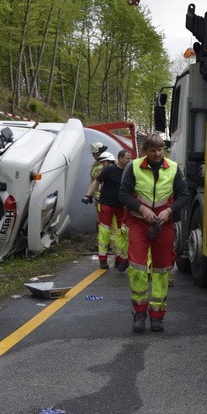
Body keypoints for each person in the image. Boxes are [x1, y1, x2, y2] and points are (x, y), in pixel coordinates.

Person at [119, 134, 188, 333]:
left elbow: (184, 195)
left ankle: (157, 316)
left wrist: (169, 211)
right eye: (152, 151)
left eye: (160, 150)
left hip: (163, 223)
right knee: (138, 268)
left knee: (162, 269)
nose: (157, 154)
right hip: (139, 222)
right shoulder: (133, 167)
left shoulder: (174, 168)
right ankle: (139, 313)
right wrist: (142, 209)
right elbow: (123, 194)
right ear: (145, 151)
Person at [82, 150, 129, 271]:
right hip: (107, 204)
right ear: (120, 158)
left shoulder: (129, 171)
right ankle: (102, 259)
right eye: (127, 158)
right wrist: (88, 195)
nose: (130, 160)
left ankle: (120, 259)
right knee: (104, 231)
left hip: (121, 206)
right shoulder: (109, 170)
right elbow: (96, 182)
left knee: (122, 233)